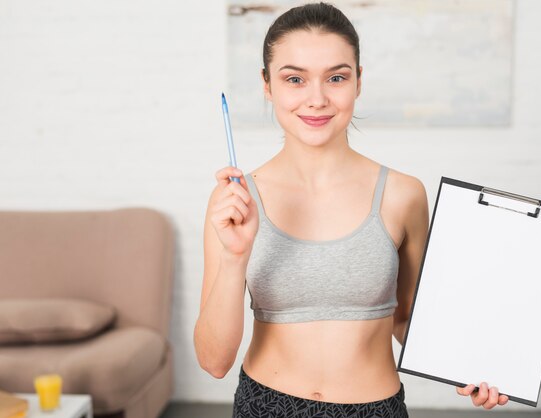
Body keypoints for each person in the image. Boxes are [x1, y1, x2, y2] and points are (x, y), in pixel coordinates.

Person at [194, 2, 510, 417]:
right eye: (294, 79)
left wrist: (469, 368)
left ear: (358, 82)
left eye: (337, 77)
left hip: (375, 409)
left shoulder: (403, 195)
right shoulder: (236, 204)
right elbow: (214, 362)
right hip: (264, 406)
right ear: (267, 84)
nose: (317, 98)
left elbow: (409, 321)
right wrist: (236, 257)